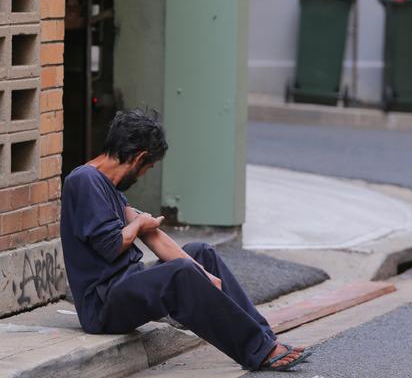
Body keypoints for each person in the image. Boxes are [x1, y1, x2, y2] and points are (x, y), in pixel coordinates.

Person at [60, 108, 309, 372]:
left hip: (125, 287)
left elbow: (153, 235)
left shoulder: (108, 186)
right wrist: (140, 223)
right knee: (180, 273)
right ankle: (258, 351)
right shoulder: (84, 181)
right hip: (103, 307)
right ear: (139, 158)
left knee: (201, 252)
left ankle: (265, 338)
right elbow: (110, 245)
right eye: (150, 167)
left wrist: (201, 271)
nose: (146, 173)